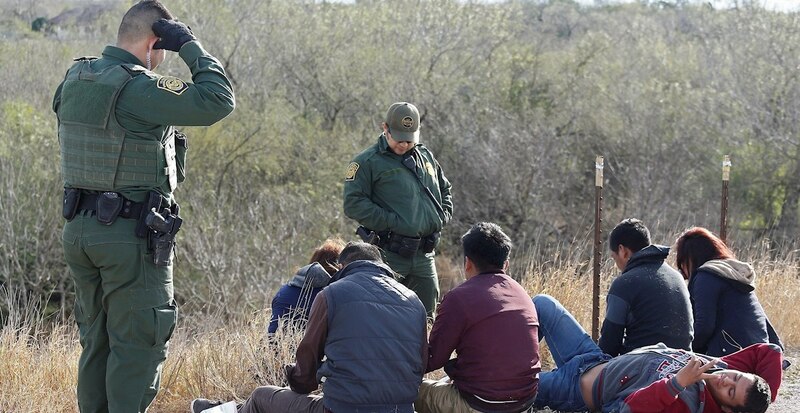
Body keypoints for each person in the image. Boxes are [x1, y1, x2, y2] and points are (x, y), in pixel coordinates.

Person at [53, 1, 235, 411]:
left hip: (79, 231)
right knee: (138, 343)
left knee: (96, 342)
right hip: (129, 237)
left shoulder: (76, 77)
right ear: (156, 42)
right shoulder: (137, 88)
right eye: (164, 49)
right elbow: (219, 98)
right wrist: (188, 44)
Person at [191, 241, 428, 413]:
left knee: (262, 395)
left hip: (341, 408)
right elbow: (421, 365)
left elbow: (305, 374)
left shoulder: (331, 294)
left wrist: (295, 378)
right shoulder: (414, 301)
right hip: (402, 409)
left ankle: (222, 412)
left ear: (342, 266)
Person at [531, 294, 783, 413]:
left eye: (730, 392)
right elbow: (770, 352)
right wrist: (764, 397)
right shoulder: (716, 368)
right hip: (593, 359)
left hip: (576, 390)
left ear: (728, 409)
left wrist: (677, 383)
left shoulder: (689, 405)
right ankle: (514, 361)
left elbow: (627, 410)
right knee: (543, 304)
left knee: (504, 387)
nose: (726, 380)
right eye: (736, 377)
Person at [415, 222, 540, 413]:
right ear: (505, 264)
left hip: (481, 404)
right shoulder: (521, 293)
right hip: (525, 402)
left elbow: (432, 360)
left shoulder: (459, 298)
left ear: (467, 263)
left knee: (409, 390)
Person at [343, 102, 453, 317]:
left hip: (424, 255)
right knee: (385, 317)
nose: (404, 144)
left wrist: (440, 217)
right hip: (389, 255)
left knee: (426, 318)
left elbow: (445, 189)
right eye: (399, 138)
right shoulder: (366, 161)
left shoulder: (426, 157)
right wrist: (392, 221)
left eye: (409, 138)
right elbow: (353, 203)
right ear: (385, 128)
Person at [675, 227, 784, 357]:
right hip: (760, 351)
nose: (684, 272)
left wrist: (682, 351)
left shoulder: (706, 277)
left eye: (682, 264)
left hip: (734, 355)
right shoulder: (731, 273)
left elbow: (704, 327)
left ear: (689, 259)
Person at [600, 218, 694, 356]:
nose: (617, 265)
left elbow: (609, 346)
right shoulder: (676, 277)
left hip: (643, 367)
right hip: (683, 364)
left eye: (614, 258)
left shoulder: (624, 283)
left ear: (622, 251)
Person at [267, 238, 344, 336]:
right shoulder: (332, 294)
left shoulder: (284, 290)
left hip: (275, 348)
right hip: (308, 350)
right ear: (339, 266)